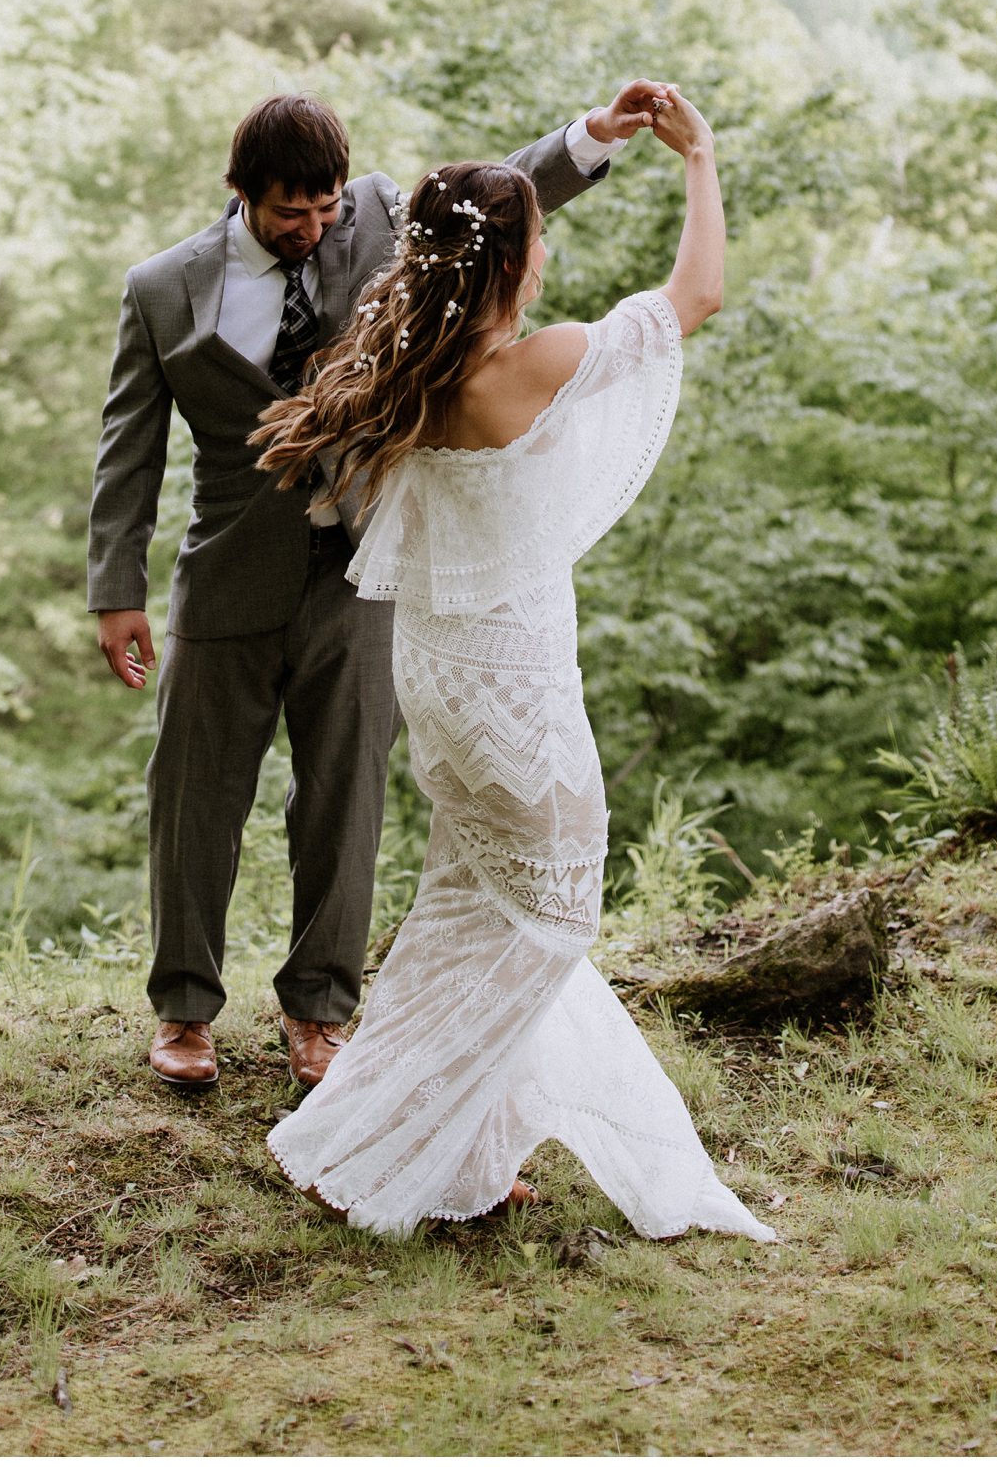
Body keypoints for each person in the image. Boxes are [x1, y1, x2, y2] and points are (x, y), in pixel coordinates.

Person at [254, 87, 773, 1241]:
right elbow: (696, 296)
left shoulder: (410, 369)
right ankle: (386, 1138)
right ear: (512, 264)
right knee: (552, 914)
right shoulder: (529, 365)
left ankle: (461, 1151)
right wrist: (700, 160)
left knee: (469, 906)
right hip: (511, 687)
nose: (548, 254)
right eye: (540, 237)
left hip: (437, 681)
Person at [87, 83, 672, 1092]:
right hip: (226, 573)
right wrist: (115, 587)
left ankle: (318, 1009)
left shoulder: (381, 216)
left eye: (323, 207)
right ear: (239, 193)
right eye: (288, 213)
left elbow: (491, 206)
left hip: (368, 563)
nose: (312, 228)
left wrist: (590, 138)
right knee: (194, 796)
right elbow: (126, 447)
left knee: (345, 793)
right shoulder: (160, 290)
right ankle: (183, 1009)